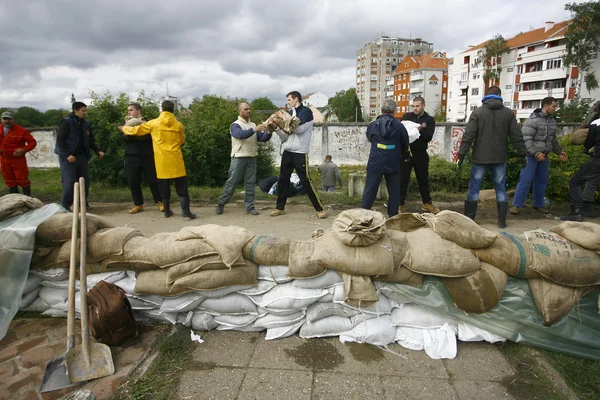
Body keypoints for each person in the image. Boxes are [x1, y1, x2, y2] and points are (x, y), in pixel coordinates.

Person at [457, 86, 528, 228]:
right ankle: (502, 221)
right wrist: (522, 154)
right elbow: (516, 136)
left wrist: (461, 155)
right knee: (501, 189)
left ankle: (470, 221)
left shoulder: (477, 112)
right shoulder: (508, 113)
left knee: (474, 189)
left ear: (486, 96)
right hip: (500, 158)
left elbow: (468, 136)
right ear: (499, 96)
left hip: (480, 157)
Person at [119, 100, 195, 219]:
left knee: (163, 186)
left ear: (162, 109)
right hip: (176, 160)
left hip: (161, 160)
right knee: (181, 186)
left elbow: (136, 130)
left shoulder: (153, 123)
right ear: (173, 110)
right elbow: (182, 141)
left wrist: (124, 129)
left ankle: (167, 212)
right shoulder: (179, 125)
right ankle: (186, 212)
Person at [270, 91, 326, 218]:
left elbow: (299, 129)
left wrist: (286, 121)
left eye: (289, 100)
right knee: (283, 180)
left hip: (300, 152)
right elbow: (285, 136)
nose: (288, 102)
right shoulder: (289, 114)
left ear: (296, 99)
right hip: (287, 151)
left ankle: (320, 209)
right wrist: (277, 127)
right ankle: (280, 207)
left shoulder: (306, 112)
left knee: (305, 180)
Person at [510, 97, 568, 215]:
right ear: (546, 106)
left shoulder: (552, 121)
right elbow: (526, 139)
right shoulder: (532, 120)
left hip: (544, 156)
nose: (555, 108)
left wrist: (559, 151)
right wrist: (535, 153)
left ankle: (538, 204)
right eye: (553, 106)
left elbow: (552, 139)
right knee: (525, 180)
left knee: (542, 181)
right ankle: (516, 205)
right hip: (531, 156)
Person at [216, 102, 272, 215]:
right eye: (246, 109)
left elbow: (261, 138)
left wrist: (270, 130)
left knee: (250, 183)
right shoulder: (235, 125)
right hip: (238, 157)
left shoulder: (252, 124)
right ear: (239, 111)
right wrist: (255, 130)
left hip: (251, 156)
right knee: (232, 182)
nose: (248, 111)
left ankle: (250, 206)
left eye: (249, 109)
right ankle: (221, 203)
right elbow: (240, 135)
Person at [360, 98, 409, 218]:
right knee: (394, 193)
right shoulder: (400, 127)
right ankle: (392, 218)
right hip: (394, 163)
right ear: (394, 111)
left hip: (375, 162)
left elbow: (370, 139)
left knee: (370, 191)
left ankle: (362, 217)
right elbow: (405, 145)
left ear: (381, 110)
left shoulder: (372, 125)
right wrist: (405, 157)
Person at [54, 102, 104, 211]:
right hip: (68, 156)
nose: (85, 113)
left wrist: (98, 150)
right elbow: (60, 140)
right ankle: (65, 206)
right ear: (75, 110)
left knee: (84, 181)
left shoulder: (86, 123)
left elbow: (90, 140)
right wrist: (67, 155)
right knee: (70, 182)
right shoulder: (66, 122)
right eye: (83, 111)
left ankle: (83, 204)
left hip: (82, 156)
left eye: (86, 111)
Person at [400, 96, 440, 213]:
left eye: (418, 106)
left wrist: (419, 130)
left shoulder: (429, 120)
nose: (415, 108)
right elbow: (402, 132)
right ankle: (400, 204)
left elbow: (428, 137)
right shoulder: (407, 117)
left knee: (423, 180)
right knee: (403, 179)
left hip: (420, 153)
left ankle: (427, 203)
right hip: (406, 153)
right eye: (414, 106)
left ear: (423, 106)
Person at [122, 103, 164, 214]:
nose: (129, 112)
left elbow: (150, 136)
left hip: (147, 155)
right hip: (131, 155)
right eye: (128, 110)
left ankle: (160, 202)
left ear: (139, 111)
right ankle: (138, 204)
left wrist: (135, 133)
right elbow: (125, 138)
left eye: (131, 110)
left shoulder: (148, 122)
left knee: (153, 180)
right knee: (133, 181)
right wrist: (137, 134)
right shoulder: (126, 123)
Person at [561, 118, 600, 221]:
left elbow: (588, 144)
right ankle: (587, 206)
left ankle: (576, 213)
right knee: (594, 180)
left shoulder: (596, 123)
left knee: (575, 182)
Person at [0, 111, 37, 196]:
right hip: (4, 159)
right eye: (5, 119)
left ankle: (27, 200)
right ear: (1, 120)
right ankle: (15, 201)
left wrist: (23, 150)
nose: (7, 121)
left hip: (18, 159)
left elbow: (32, 142)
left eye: (9, 119)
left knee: (22, 179)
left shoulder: (21, 131)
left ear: (13, 120)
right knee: (9, 181)